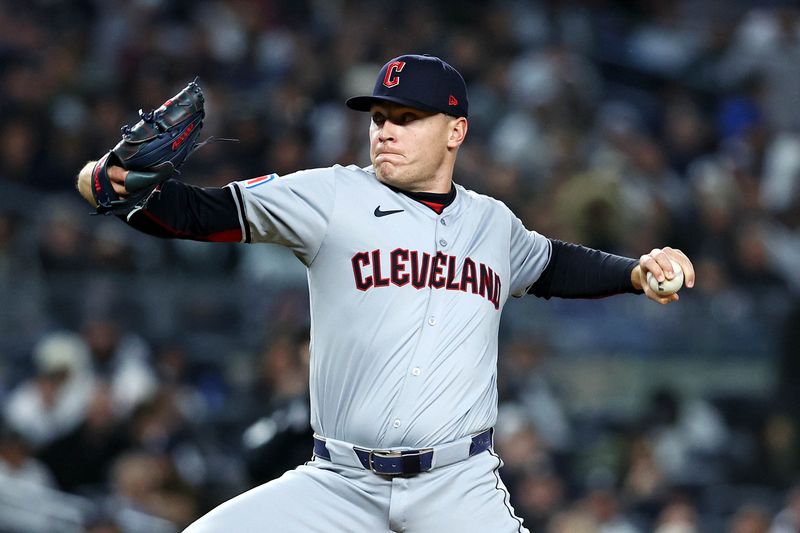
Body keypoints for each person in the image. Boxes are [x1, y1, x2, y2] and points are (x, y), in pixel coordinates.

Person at [76, 54, 695, 533]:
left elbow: (556, 264)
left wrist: (637, 272)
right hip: (340, 481)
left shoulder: (493, 224)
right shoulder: (330, 197)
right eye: (378, 119)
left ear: (455, 131)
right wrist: (111, 181)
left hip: (457, 483)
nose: (385, 133)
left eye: (406, 119)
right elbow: (198, 213)